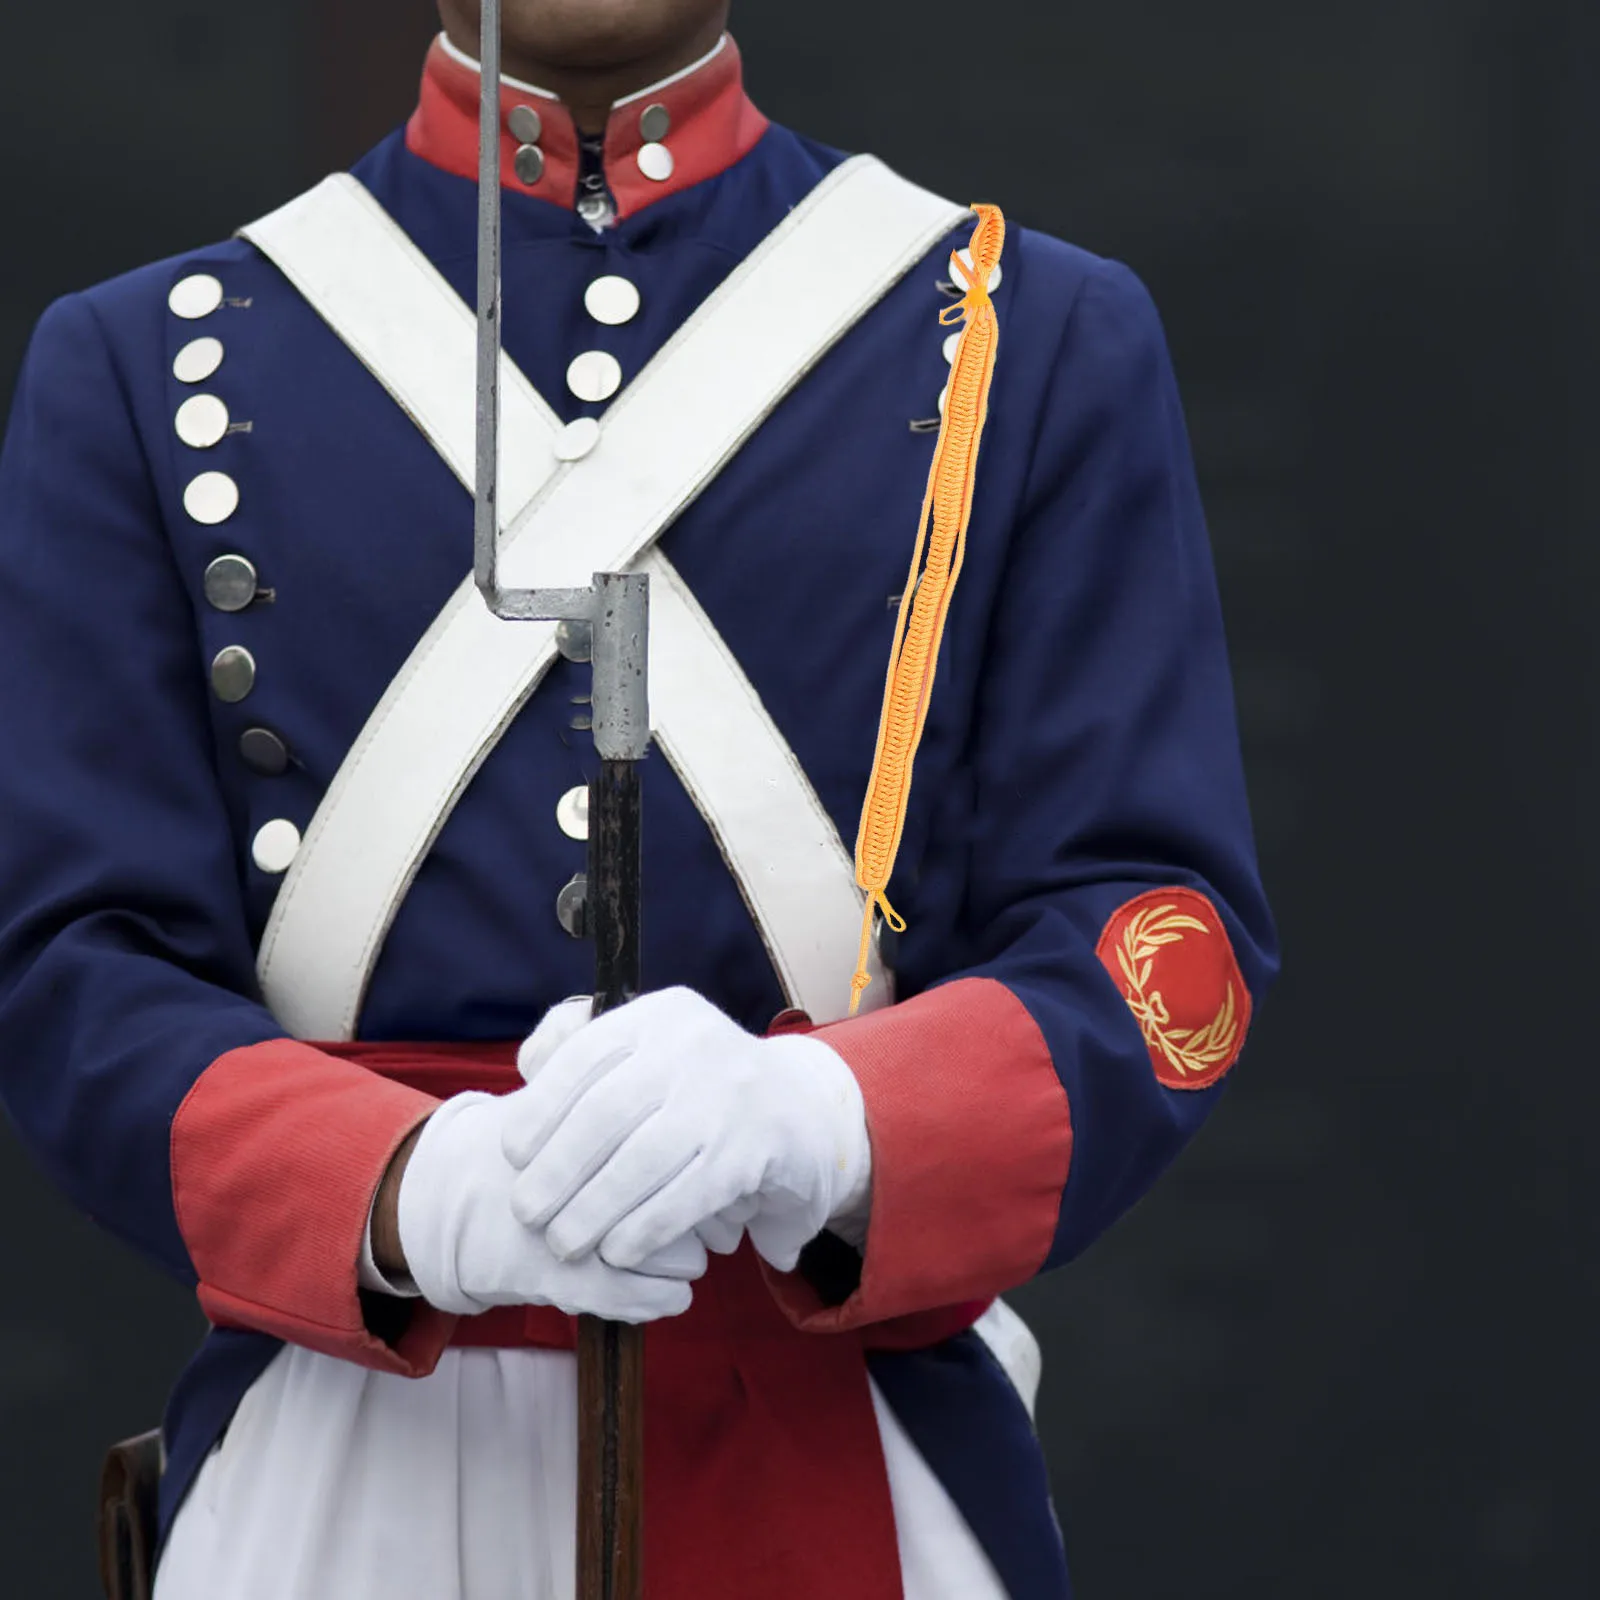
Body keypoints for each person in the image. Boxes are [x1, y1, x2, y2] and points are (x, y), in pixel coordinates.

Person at [0, 1, 1278, 1596]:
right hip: (343, 1459)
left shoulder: (1035, 336)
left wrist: (829, 1122)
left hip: (838, 1439)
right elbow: (71, 970)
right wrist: (405, 1191)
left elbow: (1159, 941)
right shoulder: (140, 360)